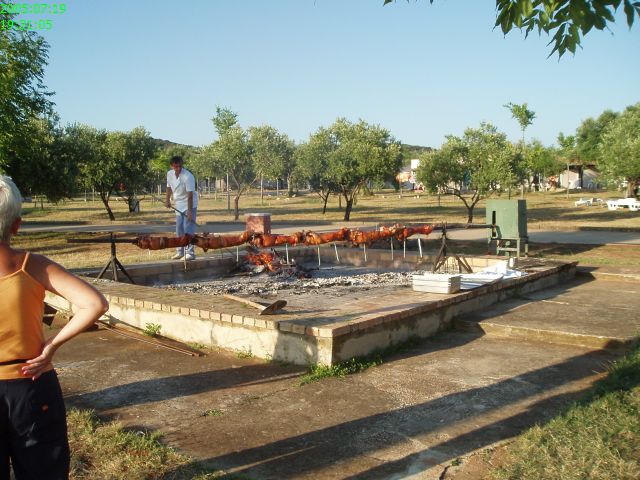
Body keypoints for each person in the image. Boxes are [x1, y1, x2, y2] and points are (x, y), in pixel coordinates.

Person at [0, 175, 109, 480]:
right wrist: (51, 346)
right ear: (16, 225)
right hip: (31, 384)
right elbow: (95, 304)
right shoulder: (32, 265)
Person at [165, 155, 198, 260]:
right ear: (171, 166)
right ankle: (180, 251)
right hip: (178, 203)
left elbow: (190, 196)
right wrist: (167, 200)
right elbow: (169, 188)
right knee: (179, 229)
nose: (178, 168)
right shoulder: (169, 174)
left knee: (188, 228)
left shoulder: (188, 176)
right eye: (176, 167)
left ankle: (190, 253)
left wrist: (190, 212)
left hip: (190, 204)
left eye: (180, 166)